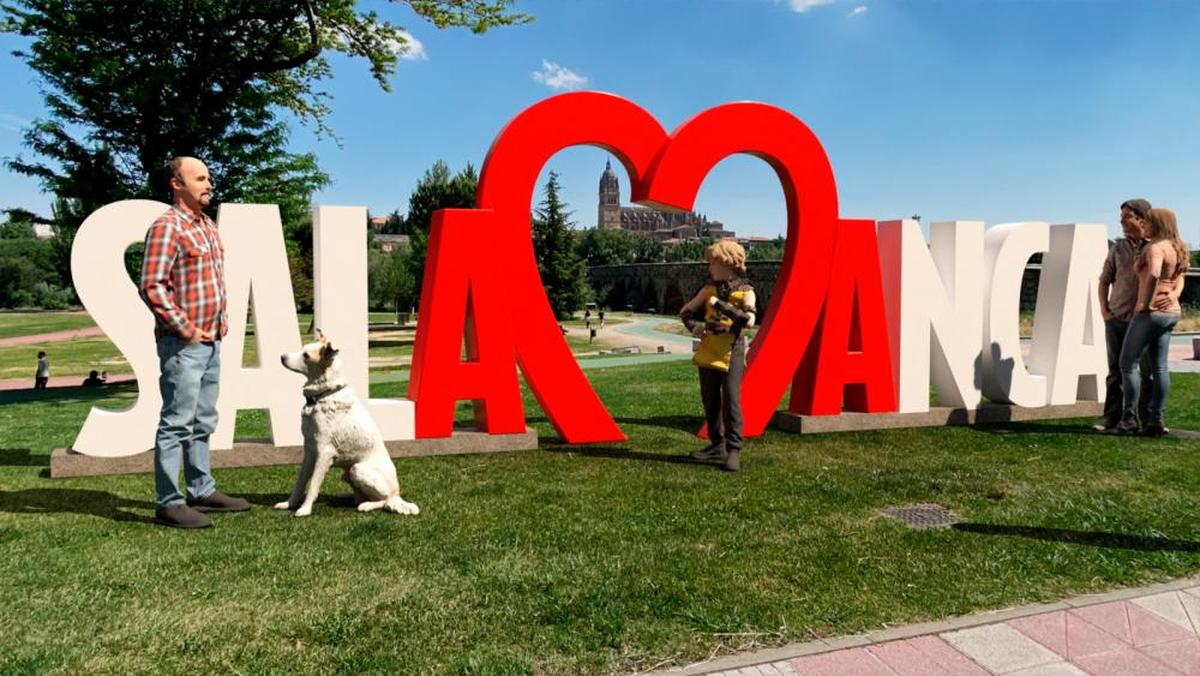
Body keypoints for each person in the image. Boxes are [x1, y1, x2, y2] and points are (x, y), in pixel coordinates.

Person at [139, 156, 249, 529]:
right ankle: (169, 502)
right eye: (199, 178)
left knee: (203, 420)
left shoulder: (207, 225)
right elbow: (152, 285)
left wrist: (220, 323)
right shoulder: (167, 227)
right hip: (183, 345)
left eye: (208, 178)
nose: (208, 183)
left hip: (212, 339)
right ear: (176, 184)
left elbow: (211, 281)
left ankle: (201, 489)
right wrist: (185, 328)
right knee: (177, 423)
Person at [1096, 199, 1181, 433]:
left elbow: (1165, 275)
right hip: (1119, 316)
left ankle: (1138, 419)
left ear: (1143, 219)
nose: (1122, 221)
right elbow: (1104, 280)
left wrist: (1155, 299)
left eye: (1127, 216)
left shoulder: (1154, 246)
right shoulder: (1119, 248)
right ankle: (1121, 418)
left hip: (1145, 316)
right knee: (1124, 370)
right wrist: (1105, 311)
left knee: (1140, 369)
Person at [677, 240, 756, 472]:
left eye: (713, 262)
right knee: (709, 398)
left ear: (727, 263)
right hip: (709, 349)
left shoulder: (746, 290)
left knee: (731, 399)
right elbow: (686, 311)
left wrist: (724, 307)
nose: (709, 267)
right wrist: (695, 328)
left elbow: (749, 321)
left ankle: (734, 449)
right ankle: (716, 444)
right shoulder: (708, 288)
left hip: (732, 349)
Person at [1116, 207, 1188, 436]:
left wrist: (1145, 303)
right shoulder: (1176, 248)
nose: (1143, 223)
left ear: (1156, 223)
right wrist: (1173, 295)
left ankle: (1128, 420)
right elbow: (1177, 278)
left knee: (1127, 364)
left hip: (1151, 313)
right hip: (1171, 313)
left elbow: (1155, 274)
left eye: (1146, 221)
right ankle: (1156, 420)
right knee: (1160, 367)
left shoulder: (1156, 248)